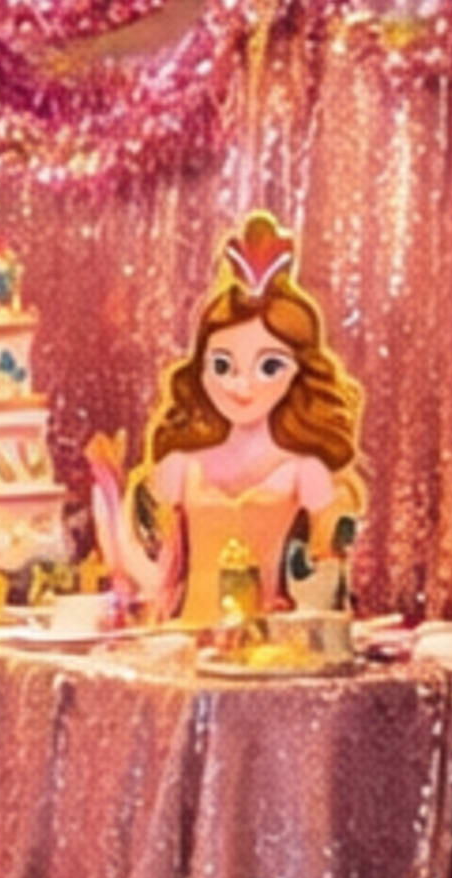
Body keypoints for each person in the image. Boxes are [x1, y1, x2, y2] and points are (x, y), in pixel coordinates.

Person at [95, 210, 364, 625]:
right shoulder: (183, 465)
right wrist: (108, 493)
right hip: (187, 642)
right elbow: (139, 563)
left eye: (269, 367)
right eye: (223, 366)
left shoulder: (303, 470)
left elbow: (329, 570)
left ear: (298, 373)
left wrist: (313, 586)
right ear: (201, 369)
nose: (242, 386)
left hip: (266, 653)